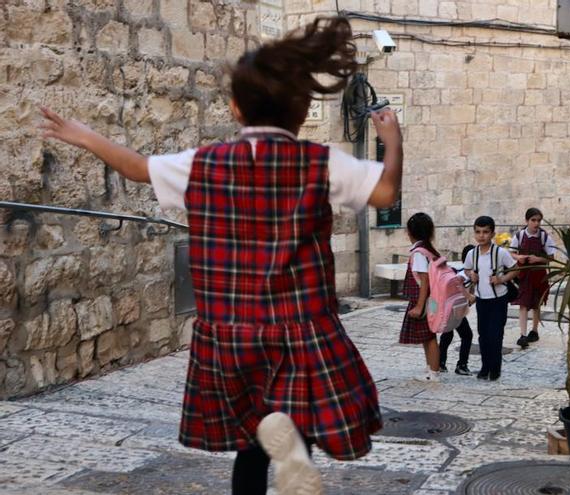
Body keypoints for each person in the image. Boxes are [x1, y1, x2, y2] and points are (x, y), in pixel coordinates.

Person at [39, 16, 402, 495]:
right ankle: (294, 454)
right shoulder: (321, 162)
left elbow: (137, 168)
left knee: (249, 444)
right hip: (300, 326)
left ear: (235, 109)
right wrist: (394, 141)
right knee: (296, 419)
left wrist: (85, 134)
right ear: (299, 111)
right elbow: (385, 191)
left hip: (230, 330)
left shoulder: (200, 164)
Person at [464, 216, 518, 381]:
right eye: (478, 232)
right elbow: (466, 270)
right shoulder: (472, 254)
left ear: (492, 233)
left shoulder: (501, 253)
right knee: (483, 335)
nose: (482, 236)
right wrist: (471, 274)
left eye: (485, 232)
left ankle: (495, 368)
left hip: (498, 299)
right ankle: (485, 366)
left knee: (495, 335)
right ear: (474, 233)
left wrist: (501, 279)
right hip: (481, 299)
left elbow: (516, 270)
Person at [399, 212, 442, 382]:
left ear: (410, 232)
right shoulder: (428, 249)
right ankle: (430, 368)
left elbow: (424, 281)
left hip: (426, 300)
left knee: (429, 336)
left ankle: (434, 373)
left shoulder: (419, 253)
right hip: (432, 300)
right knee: (428, 335)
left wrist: (419, 306)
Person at [509, 207, 557, 349]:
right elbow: (511, 252)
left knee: (536, 304)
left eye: (538, 220)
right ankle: (523, 334)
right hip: (524, 274)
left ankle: (534, 330)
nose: (536, 223)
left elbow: (551, 256)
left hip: (539, 275)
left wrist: (538, 259)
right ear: (527, 220)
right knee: (523, 303)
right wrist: (519, 257)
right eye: (533, 220)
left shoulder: (544, 236)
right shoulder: (519, 235)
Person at [438, 244, 476, 375]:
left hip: (450, 308)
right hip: (454, 309)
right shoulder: (464, 274)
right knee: (467, 335)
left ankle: (440, 363)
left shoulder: (465, 272)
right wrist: (469, 296)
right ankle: (461, 365)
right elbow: (458, 284)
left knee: (448, 334)